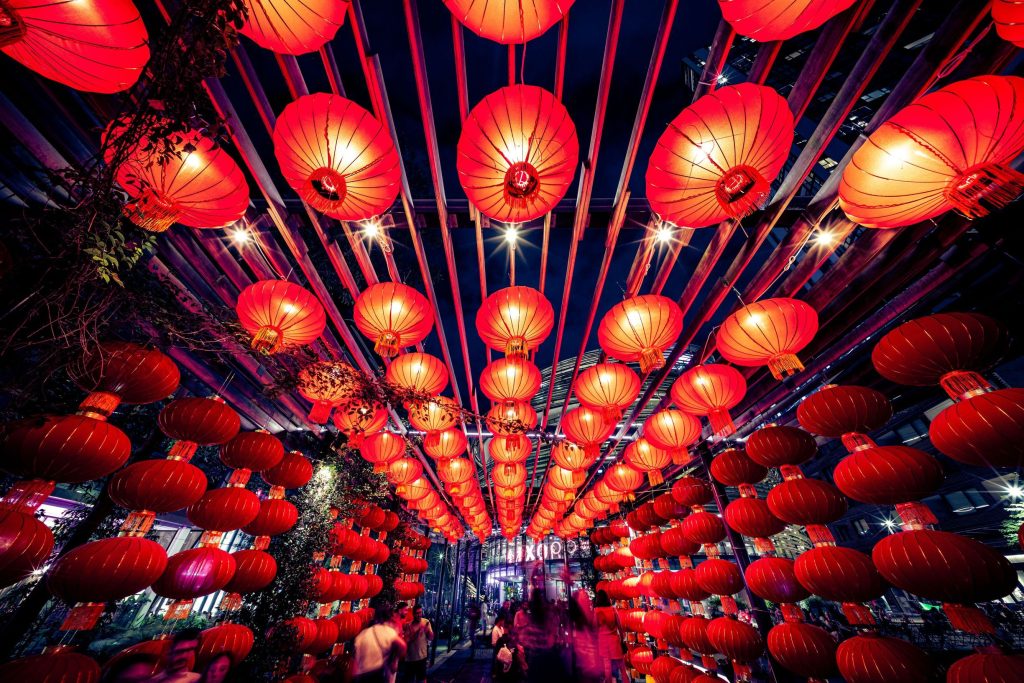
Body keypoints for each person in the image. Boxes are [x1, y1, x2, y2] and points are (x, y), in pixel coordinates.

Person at [353, 605, 407, 683]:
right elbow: (403, 646)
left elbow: (355, 662)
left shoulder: (362, 635)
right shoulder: (387, 631)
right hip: (376, 674)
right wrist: (395, 659)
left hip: (361, 676)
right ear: (388, 617)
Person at [593, 590, 626, 683]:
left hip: (603, 641)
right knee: (622, 667)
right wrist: (622, 639)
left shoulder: (596, 611)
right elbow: (620, 626)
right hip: (614, 640)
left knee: (607, 667)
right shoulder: (613, 609)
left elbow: (594, 627)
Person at [401, 604, 433, 683]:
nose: (419, 615)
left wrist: (427, 631)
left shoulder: (426, 622)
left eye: (420, 612)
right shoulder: (409, 625)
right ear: (413, 614)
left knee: (422, 679)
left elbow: (431, 637)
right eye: (417, 613)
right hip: (410, 658)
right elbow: (406, 640)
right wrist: (419, 631)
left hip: (422, 657)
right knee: (409, 680)